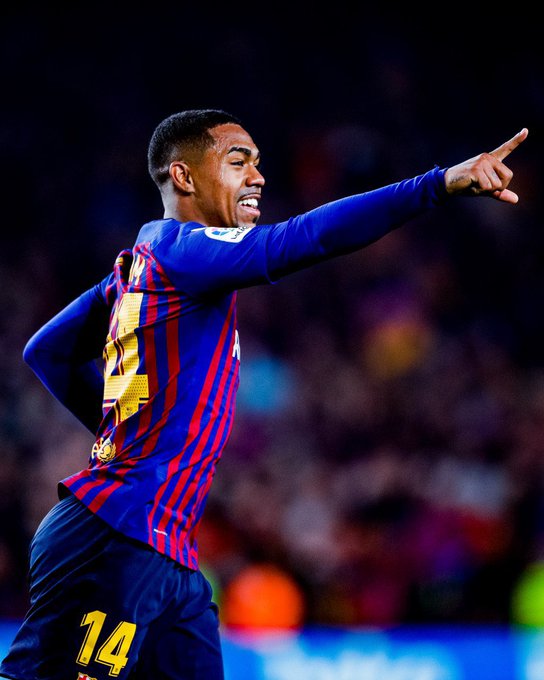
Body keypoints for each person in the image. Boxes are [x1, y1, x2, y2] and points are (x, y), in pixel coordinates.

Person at [0, 109, 528, 680]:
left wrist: (124, 439)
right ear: (183, 177)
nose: (258, 176)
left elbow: (47, 351)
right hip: (116, 536)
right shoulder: (183, 252)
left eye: (257, 163)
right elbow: (304, 238)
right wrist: (437, 184)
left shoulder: (138, 268)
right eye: (238, 162)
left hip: (166, 552)